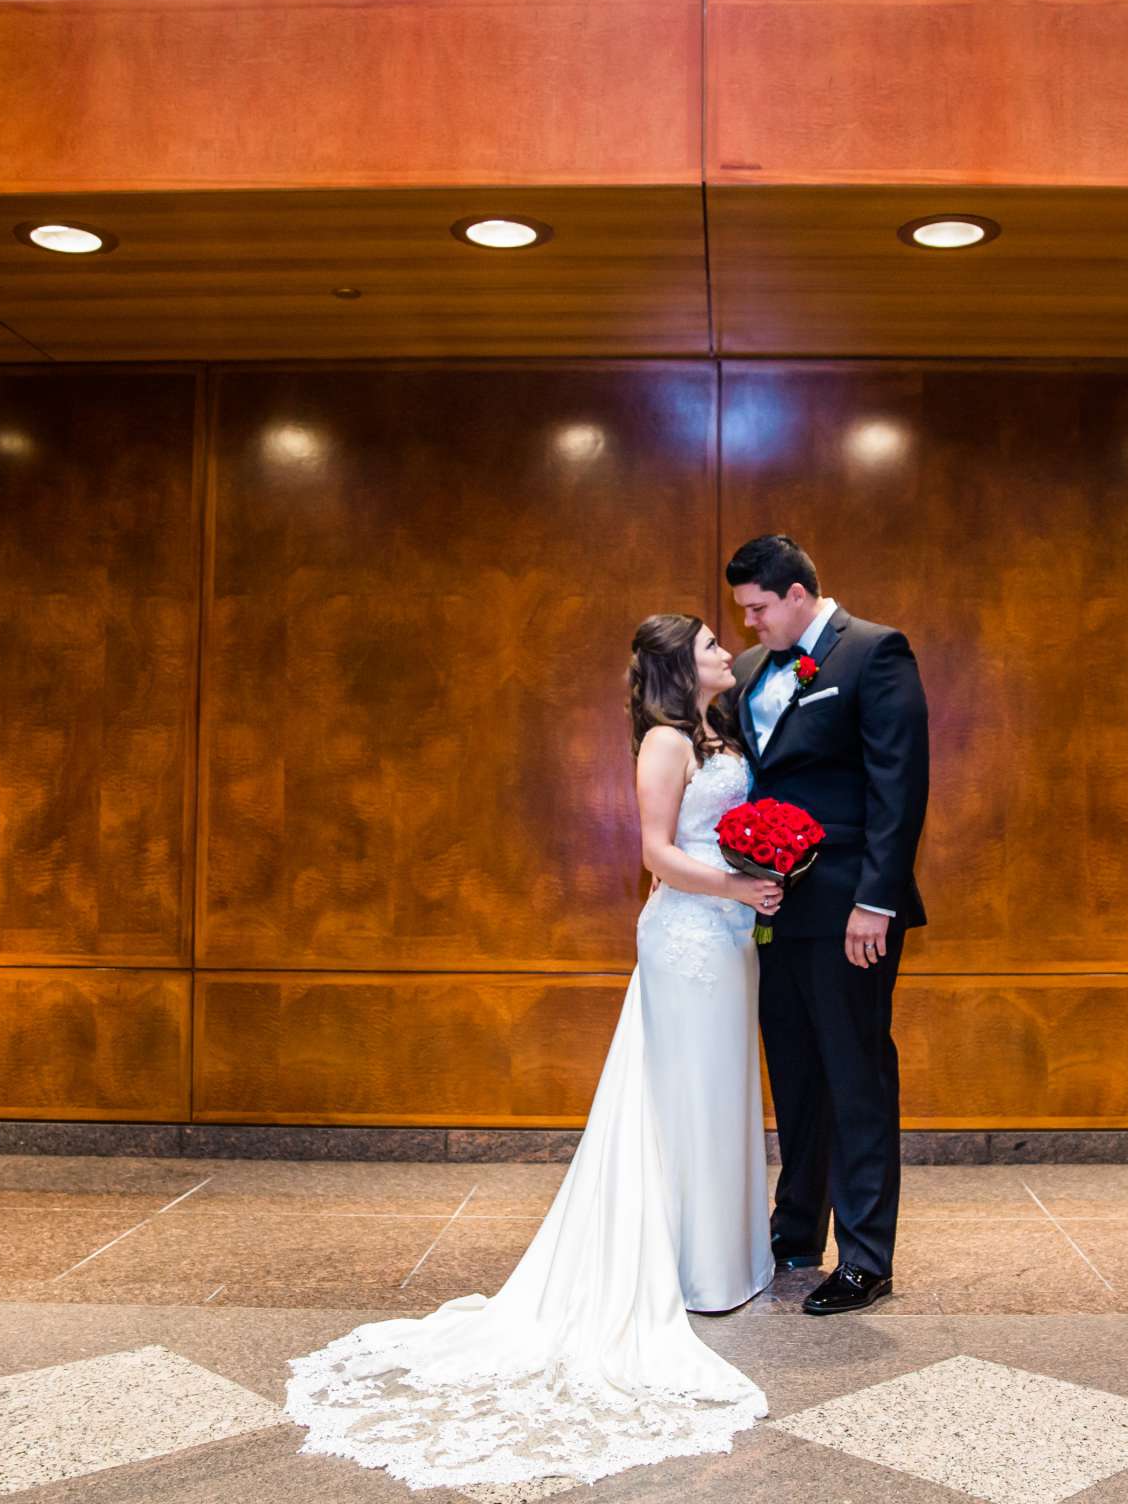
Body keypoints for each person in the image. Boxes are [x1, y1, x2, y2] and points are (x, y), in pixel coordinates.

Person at [284, 613, 780, 1493]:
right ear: (679, 666)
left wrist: (759, 878)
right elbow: (657, 854)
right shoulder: (665, 743)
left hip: (732, 939)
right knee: (687, 1095)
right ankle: (687, 1265)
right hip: (687, 939)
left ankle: (724, 1254)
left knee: (722, 1093)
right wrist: (740, 883)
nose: (723, 653)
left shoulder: (721, 733)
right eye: (709, 644)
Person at [725, 534, 930, 1317]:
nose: (749, 624)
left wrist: (875, 901)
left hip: (851, 910)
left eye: (758, 608)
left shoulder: (875, 653)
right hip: (773, 911)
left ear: (799, 595)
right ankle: (796, 1233)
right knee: (798, 1077)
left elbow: (899, 781)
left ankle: (867, 1257)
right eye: (743, 611)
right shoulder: (747, 674)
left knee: (856, 1075)